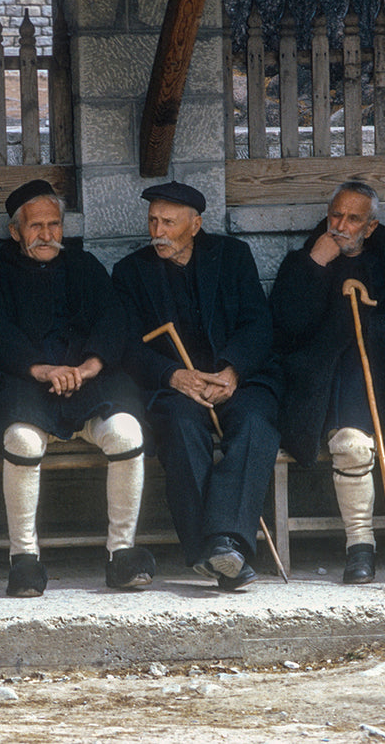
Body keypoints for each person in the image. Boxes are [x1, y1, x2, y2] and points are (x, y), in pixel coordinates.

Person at [0, 180, 155, 597]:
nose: (47, 235)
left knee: (127, 432)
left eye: (54, 225)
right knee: (20, 439)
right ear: (15, 231)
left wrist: (90, 365)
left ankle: (121, 554)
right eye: (36, 226)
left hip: (87, 384)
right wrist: (39, 369)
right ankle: (25, 560)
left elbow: (114, 319)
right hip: (27, 385)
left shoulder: (85, 266)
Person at [270, 181, 385, 584]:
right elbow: (285, 326)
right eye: (335, 215)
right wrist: (314, 265)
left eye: (353, 219)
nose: (341, 225)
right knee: (351, 448)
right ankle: (360, 547)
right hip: (341, 379)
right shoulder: (306, 259)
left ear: (370, 227)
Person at [112, 182, 282, 590]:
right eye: (153, 220)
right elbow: (124, 346)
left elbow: (258, 325)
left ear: (196, 225)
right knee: (182, 426)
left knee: (256, 422)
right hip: (176, 387)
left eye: (168, 222)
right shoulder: (131, 271)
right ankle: (216, 550)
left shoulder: (232, 257)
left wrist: (231, 373)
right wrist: (174, 376)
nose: (158, 231)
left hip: (234, 380)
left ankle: (223, 543)